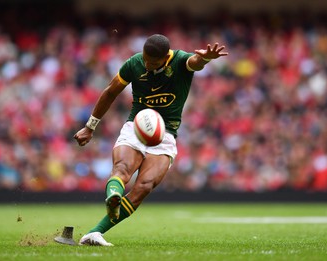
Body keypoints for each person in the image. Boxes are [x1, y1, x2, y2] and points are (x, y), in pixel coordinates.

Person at [73, 34, 228, 246]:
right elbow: (110, 92)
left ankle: (95, 233)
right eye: (145, 59)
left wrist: (205, 59)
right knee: (122, 169)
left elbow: (195, 63)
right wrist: (90, 127)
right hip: (135, 127)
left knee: (144, 186)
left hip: (166, 135)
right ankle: (114, 198)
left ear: (166, 58)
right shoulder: (134, 64)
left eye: (153, 63)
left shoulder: (181, 61)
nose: (147, 65)